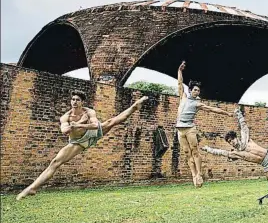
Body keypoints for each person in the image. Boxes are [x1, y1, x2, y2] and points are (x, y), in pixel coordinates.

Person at [16, 91, 149, 200]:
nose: (74, 101)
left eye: (77, 99)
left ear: (82, 102)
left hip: (92, 133)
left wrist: (80, 123)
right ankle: (32, 188)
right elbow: (65, 131)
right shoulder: (65, 117)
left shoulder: (89, 111)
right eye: (73, 99)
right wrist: (81, 121)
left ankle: (134, 107)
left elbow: (95, 125)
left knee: (111, 121)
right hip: (78, 142)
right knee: (55, 162)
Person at [175, 61, 237, 187]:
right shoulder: (183, 97)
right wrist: (180, 71)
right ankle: (194, 175)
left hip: (190, 129)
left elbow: (212, 109)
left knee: (195, 151)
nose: (197, 92)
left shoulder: (197, 104)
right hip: (180, 130)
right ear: (190, 90)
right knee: (187, 153)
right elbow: (180, 83)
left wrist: (227, 114)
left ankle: (199, 174)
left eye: (198, 90)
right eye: (195, 90)